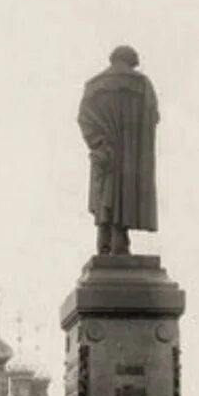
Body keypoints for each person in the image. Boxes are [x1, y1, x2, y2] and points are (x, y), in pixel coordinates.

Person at [78, 45, 160, 255]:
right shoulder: (141, 84)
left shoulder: (93, 86)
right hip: (131, 153)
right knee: (124, 195)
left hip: (103, 151)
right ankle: (119, 243)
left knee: (106, 193)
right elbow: (153, 117)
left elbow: (84, 119)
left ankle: (106, 243)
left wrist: (99, 142)